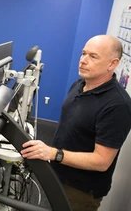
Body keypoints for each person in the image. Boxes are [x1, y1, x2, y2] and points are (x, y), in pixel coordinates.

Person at [21, 35, 131, 211]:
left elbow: (102, 161)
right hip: (60, 173)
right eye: (83, 53)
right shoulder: (80, 84)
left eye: (93, 56)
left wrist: (53, 153)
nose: (83, 61)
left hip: (80, 190)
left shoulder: (117, 105)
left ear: (112, 64)